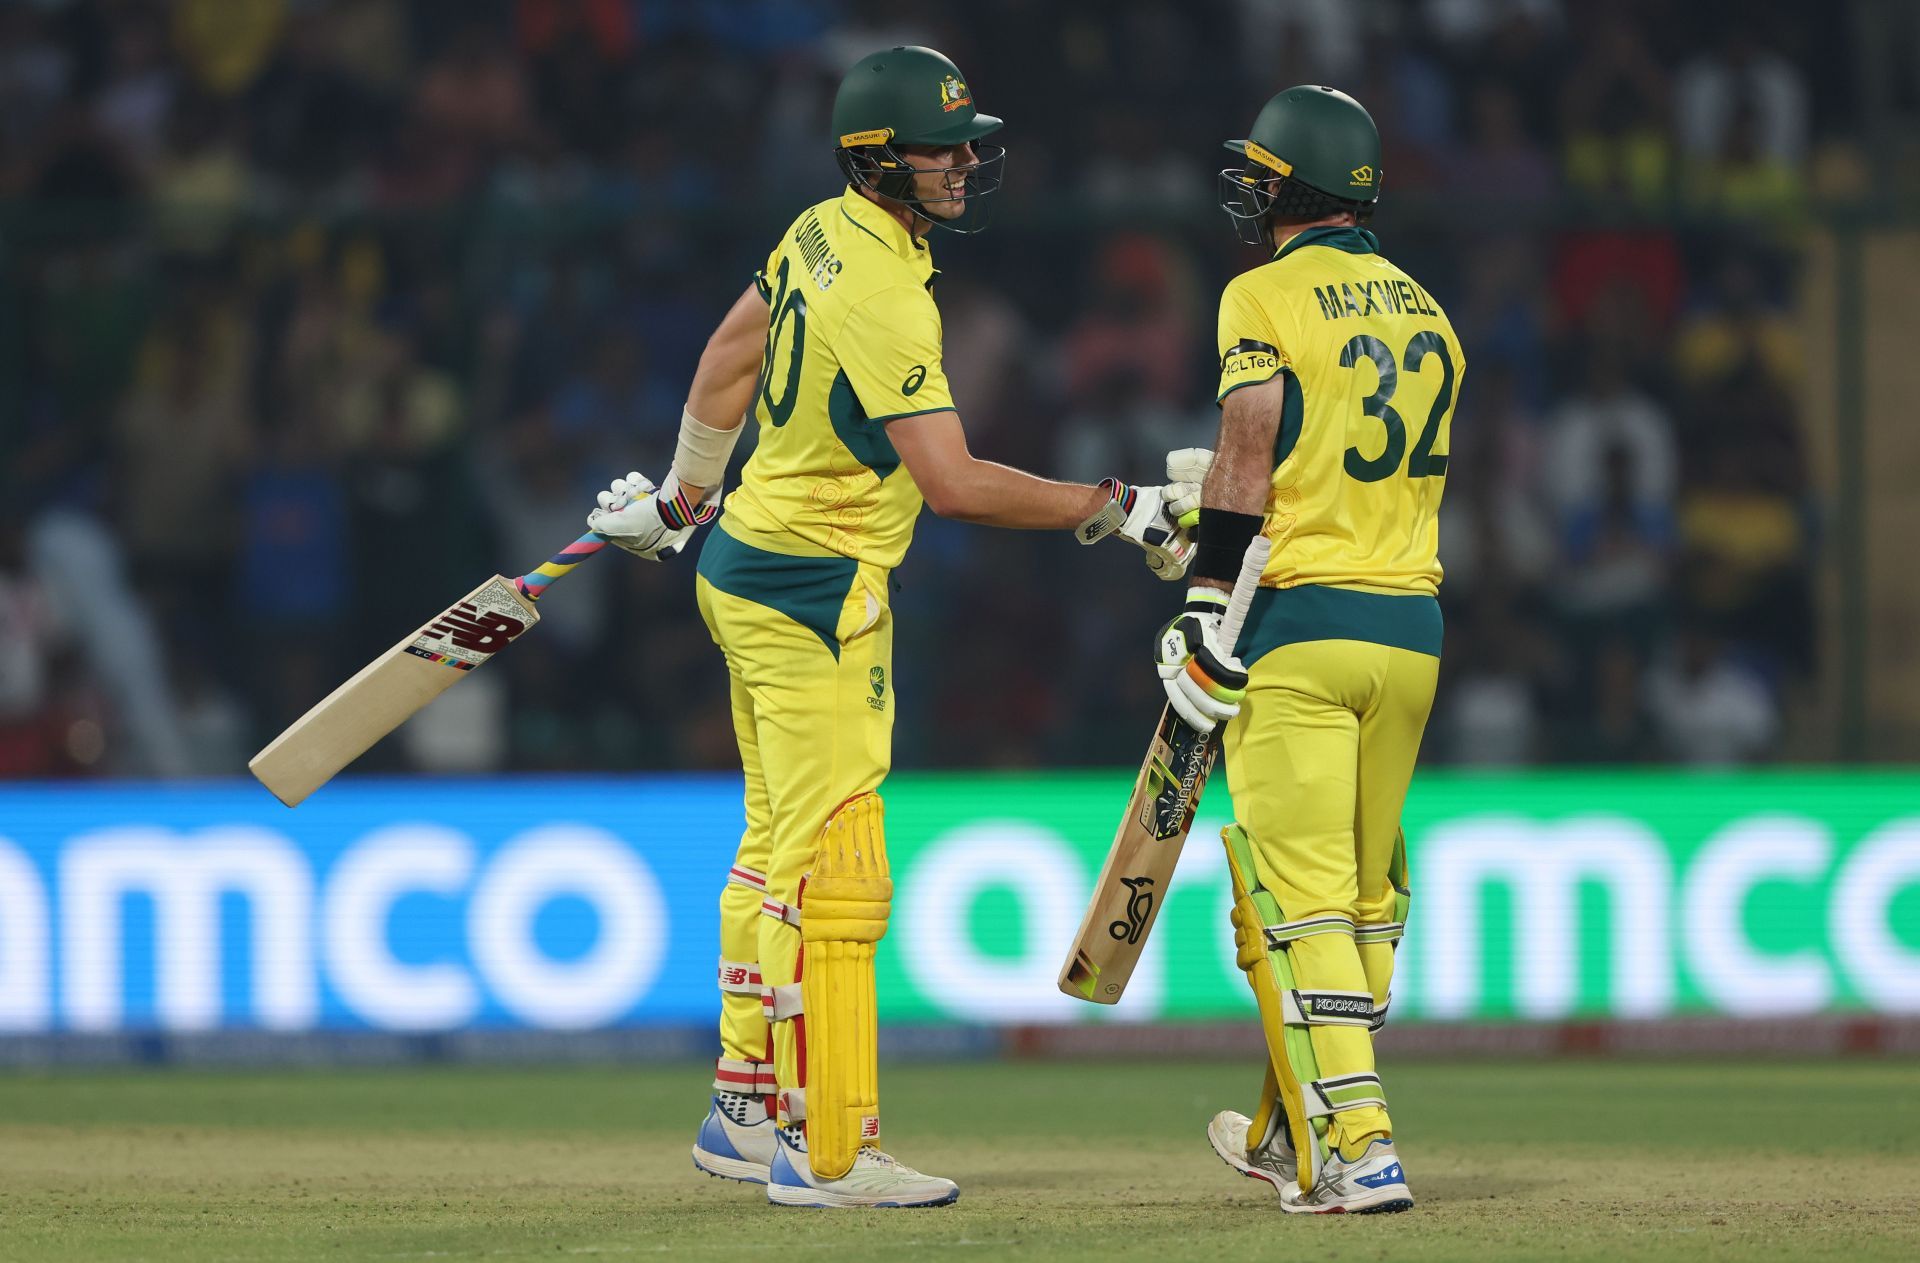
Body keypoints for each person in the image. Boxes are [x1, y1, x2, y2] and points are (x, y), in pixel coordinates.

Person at [588, 46, 1202, 1208]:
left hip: (745, 565)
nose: (968, 162)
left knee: (774, 846)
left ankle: (740, 1104)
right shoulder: (879, 286)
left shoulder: (819, 229)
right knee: (836, 863)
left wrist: (682, 498)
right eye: (944, 146)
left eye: (969, 142)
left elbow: (731, 351)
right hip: (817, 591)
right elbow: (955, 482)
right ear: (880, 159)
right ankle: (824, 1150)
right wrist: (1115, 510)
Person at [1156, 85, 1464, 1214]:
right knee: (1372, 894)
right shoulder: (1429, 309)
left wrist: (1203, 593)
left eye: (1262, 169)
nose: (1249, 182)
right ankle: (1295, 1127)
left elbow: (1248, 447)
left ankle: (1363, 1147)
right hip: (1413, 632)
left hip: (1300, 622)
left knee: (1303, 901)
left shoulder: (1262, 290)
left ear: (1292, 184)